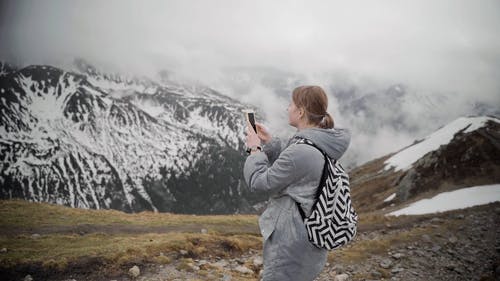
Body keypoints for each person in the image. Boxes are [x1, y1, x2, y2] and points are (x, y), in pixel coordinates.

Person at [244, 85, 351, 281]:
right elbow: (297, 165)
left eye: (291, 104)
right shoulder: (322, 142)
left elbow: (259, 183)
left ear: (301, 111)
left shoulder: (302, 150)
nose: (287, 108)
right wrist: (272, 143)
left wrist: (254, 149)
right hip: (306, 242)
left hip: (290, 245)